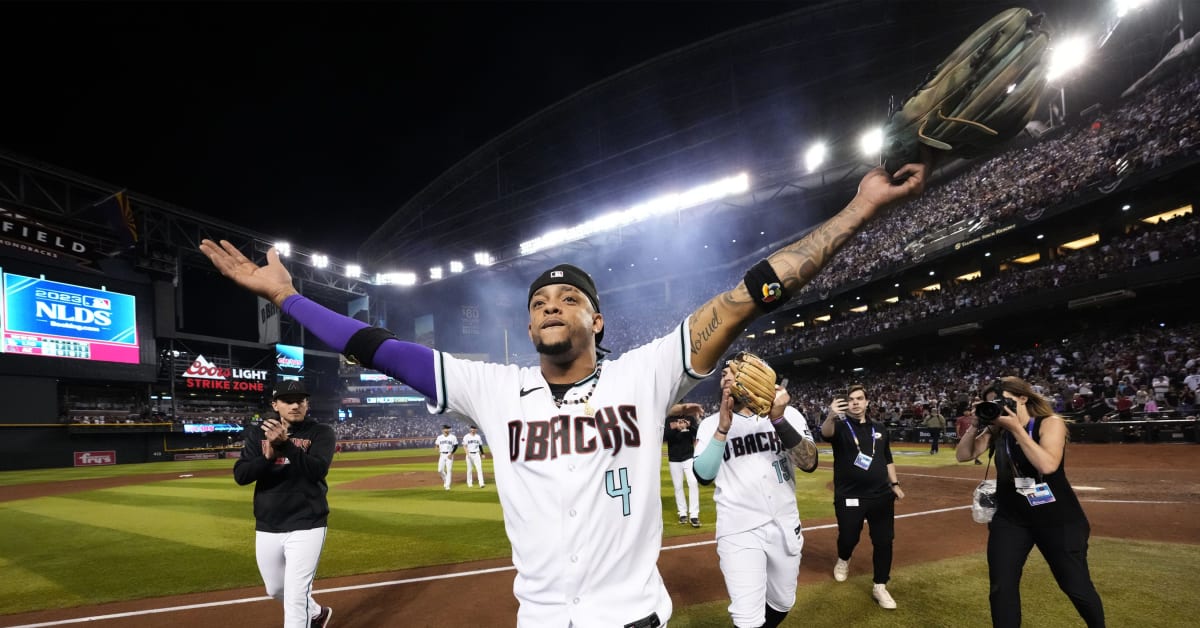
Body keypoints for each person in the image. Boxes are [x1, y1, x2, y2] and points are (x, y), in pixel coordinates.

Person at [199, 157, 928, 627]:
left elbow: (747, 296)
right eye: (539, 299)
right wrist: (290, 299)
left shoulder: (646, 374)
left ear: (596, 319)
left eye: (567, 296)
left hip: (633, 617)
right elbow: (378, 349)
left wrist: (858, 211)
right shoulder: (493, 389)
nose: (549, 302)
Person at [956, 376, 1106, 628]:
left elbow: (1047, 465)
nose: (999, 409)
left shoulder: (1050, 423)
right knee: (1001, 587)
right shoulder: (996, 429)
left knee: (1075, 585)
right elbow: (964, 455)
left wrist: (1016, 429)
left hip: (1057, 519)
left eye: (1005, 402)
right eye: (993, 404)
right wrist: (976, 424)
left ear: (1023, 398)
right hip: (1011, 519)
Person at [693, 354, 818, 628]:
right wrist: (723, 429)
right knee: (747, 618)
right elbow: (703, 475)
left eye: (736, 371)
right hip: (738, 527)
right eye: (725, 372)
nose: (728, 376)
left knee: (783, 603)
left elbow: (809, 462)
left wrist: (779, 420)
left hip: (785, 522)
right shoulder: (710, 424)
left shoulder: (788, 415)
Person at [232, 380, 336, 628]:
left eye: (300, 400)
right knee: (276, 589)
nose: (295, 405)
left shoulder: (321, 432)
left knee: (295, 596)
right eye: (288, 401)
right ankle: (317, 613)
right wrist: (268, 456)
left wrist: (286, 444)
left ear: (307, 403)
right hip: (268, 523)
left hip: (308, 523)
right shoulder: (258, 433)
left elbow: (317, 470)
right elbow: (241, 475)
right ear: (275, 404)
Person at [821, 384, 904, 610]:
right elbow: (826, 433)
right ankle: (844, 558)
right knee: (849, 536)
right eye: (851, 399)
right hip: (850, 495)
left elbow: (887, 457)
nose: (856, 402)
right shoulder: (839, 426)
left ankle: (880, 585)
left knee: (884, 541)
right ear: (846, 404)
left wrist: (894, 484)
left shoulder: (879, 427)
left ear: (867, 402)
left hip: (881, 495)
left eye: (860, 398)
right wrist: (830, 415)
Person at [664, 405, 704, 527]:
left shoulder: (689, 418)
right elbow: (666, 436)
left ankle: (694, 515)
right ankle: (682, 513)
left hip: (688, 456)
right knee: (678, 487)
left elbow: (697, 433)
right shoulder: (668, 419)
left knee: (692, 482)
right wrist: (676, 427)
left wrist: (689, 426)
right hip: (674, 458)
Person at [435, 424, 458, 490]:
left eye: (447, 429)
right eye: (445, 429)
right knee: (440, 470)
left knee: (449, 470)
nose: (446, 430)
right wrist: (436, 447)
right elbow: (437, 445)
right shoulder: (439, 437)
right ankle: (445, 480)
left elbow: (456, 446)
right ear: (443, 430)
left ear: (449, 430)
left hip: (449, 454)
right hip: (442, 455)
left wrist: (452, 453)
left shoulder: (453, 437)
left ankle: (447, 485)